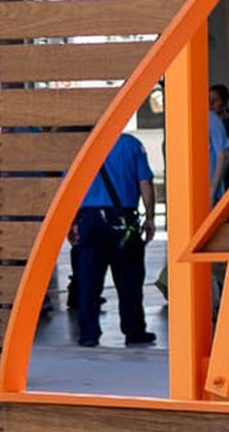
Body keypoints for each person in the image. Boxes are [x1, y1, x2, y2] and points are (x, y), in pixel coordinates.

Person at [69, 130, 157, 348]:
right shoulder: (131, 144)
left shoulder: (81, 146)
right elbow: (144, 181)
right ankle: (134, 330)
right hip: (123, 219)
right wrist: (150, 216)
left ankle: (88, 334)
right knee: (130, 279)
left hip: (89, 219)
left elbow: (69, 187)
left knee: (89, 279)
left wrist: (71, 222)